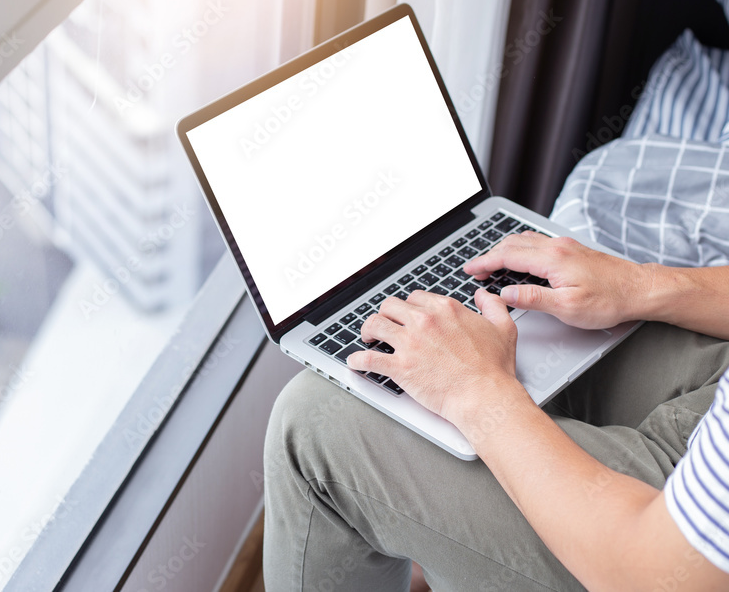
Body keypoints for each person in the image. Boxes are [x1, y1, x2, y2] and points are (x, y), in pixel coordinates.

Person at [262, 231, 729, 591]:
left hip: (665, 543)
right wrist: (644, 283)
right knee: (551, 324)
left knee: (314, 417)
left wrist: (479, 391)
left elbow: (659, 576)